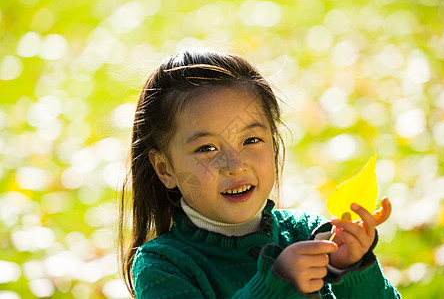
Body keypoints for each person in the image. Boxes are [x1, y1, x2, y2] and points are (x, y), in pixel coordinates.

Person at [118, 47, 401, 298]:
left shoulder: (309, 233)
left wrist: (351, 268)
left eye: (251, 140)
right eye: (207, 148)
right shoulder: (163, 265)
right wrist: (276, 285)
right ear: (165, 169)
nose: (235, 165)